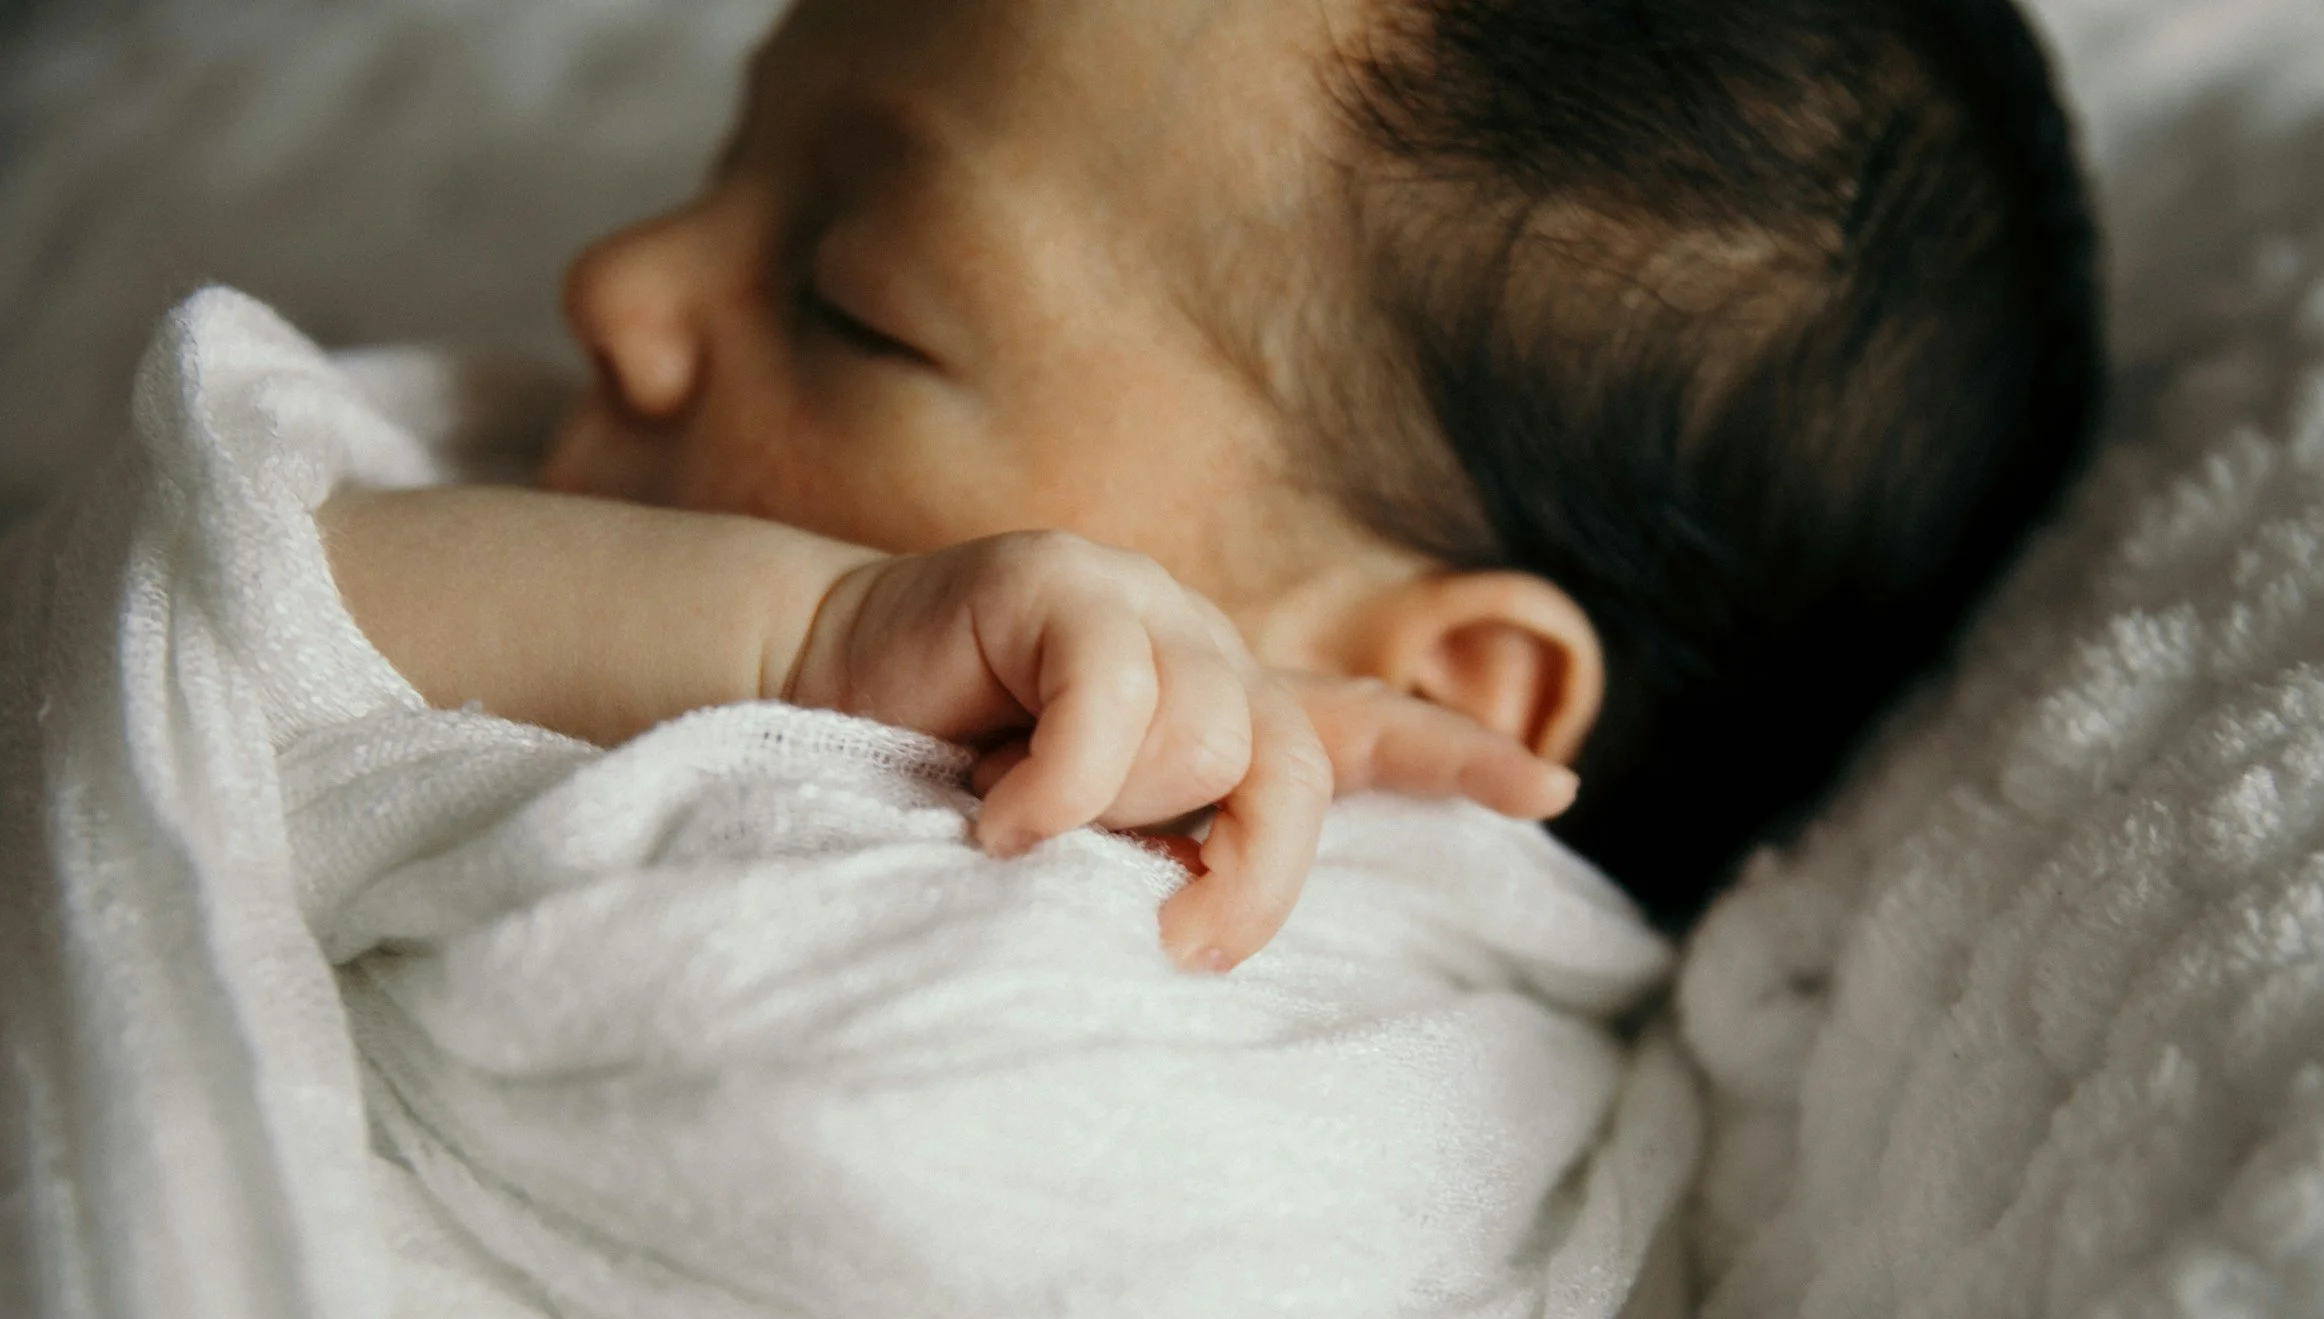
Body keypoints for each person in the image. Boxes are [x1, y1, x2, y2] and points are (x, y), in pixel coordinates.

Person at [319, 0, 2104, 970]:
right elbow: (137, 639)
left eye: (852, 302)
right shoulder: (472, 468)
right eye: (735, 148)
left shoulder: (1314, 1078)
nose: (613, 288)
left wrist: (811, 642)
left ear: (1415, 689)